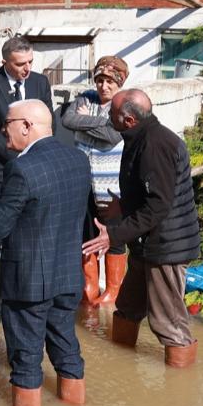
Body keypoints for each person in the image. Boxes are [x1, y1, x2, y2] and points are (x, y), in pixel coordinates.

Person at [0, 99, 91, 406]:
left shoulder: (21, 168)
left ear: (26, 126)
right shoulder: (78, 159)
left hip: (28, 282)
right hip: (68, 277)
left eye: (8, 123)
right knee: (67, 348)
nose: (4, 131)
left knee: (26, 358)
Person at [82, 89, 201, 368]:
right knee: (128, 307)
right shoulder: (141, 137)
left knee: (168, 323)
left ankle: (180, 391)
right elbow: (153, 196)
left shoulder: (156, 145)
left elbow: (158, 207)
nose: (107, 115)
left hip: (166, 247)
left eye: (112, 113)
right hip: (146, 243)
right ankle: (120, 368)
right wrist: (122, 207)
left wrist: (112, 234)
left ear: (129, 120)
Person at [0, 36, 53, 320]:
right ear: (5, 61)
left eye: (30, 62)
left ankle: (22, 290)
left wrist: (35, 160)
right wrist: (19, 159)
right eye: (20, 64)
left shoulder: (40, 83)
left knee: (27, 231)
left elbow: (46, 123)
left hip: (34, 169)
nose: (26, 69)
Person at [61, 55, 128, 307]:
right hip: (82, 184)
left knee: (113, 237)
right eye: (100, 80)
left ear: (120, 82)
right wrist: (101, 123)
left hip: (111, 187)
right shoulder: (87, 98)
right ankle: (89, 286)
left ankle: (113, 290)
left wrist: (85, 123)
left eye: (110, 81)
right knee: (86, 234)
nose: (104, 86)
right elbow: (67, 120)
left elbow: (112, 135)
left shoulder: (123, 103)